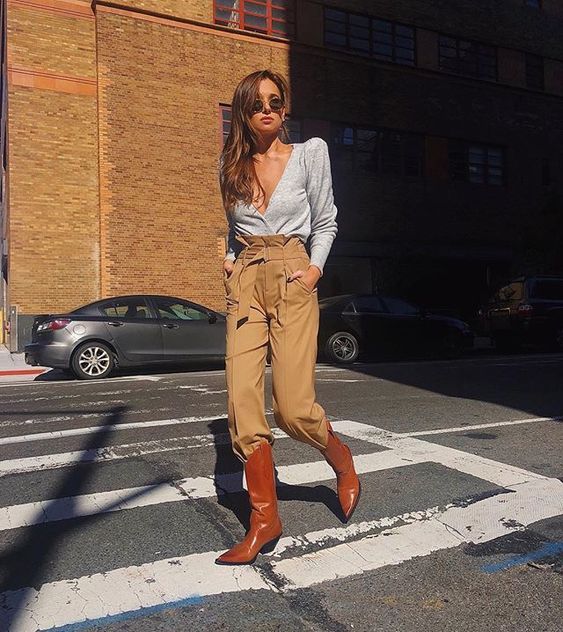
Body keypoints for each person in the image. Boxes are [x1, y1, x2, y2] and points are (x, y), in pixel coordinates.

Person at [216, 69, 360, 566]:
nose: (268, 109)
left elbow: (326, 219)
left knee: (294, 409)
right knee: (240, 400)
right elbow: (232, 229)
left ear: (284, 108)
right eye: (257, 103)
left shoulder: (310, 154)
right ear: (243, 112)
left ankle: (340, 459)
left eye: (276, 101)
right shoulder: (230, 165)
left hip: (293, 273)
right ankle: (265, 519)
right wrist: (230, 258)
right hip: (246, 281)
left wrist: (314, 269)